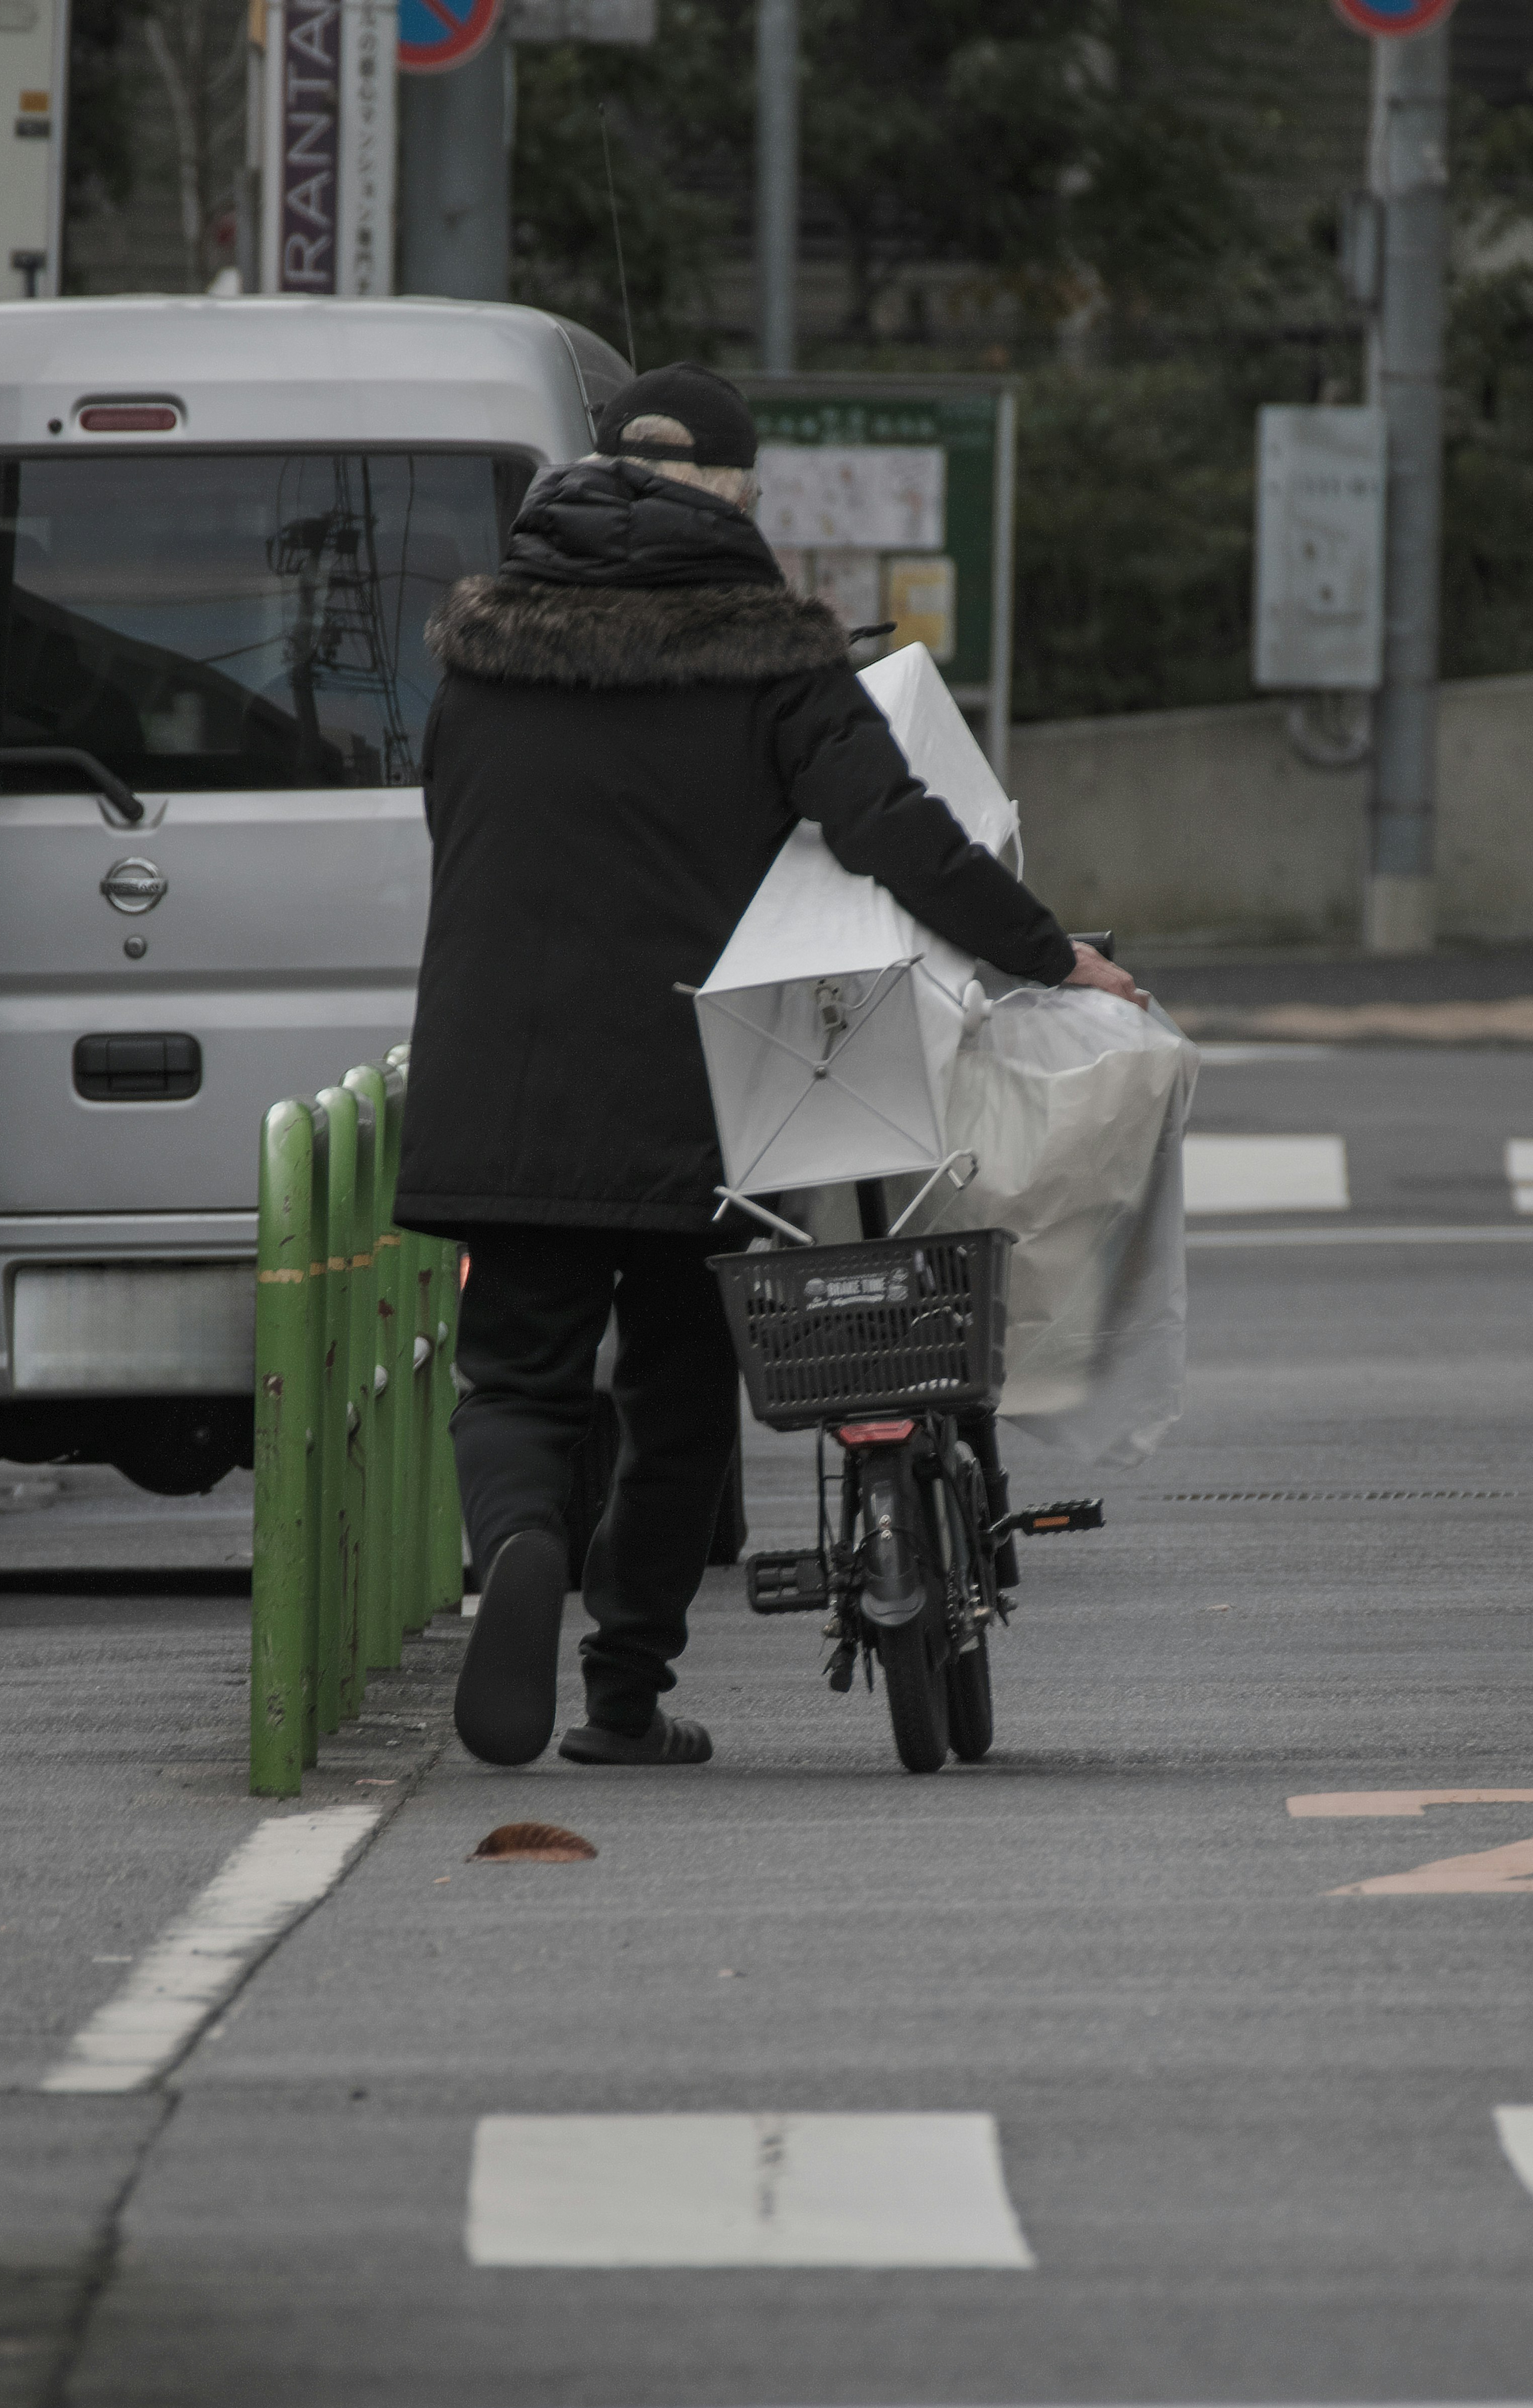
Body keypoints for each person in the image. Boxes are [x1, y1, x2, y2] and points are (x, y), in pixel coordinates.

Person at [394, 362, 1138, 1771]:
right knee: (676, 1395)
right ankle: (621, 1695)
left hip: (503, 1078)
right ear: (736, 495)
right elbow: (897, 836)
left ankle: (522, 1546)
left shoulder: (482, 647)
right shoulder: (772, 652)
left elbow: (456, 829)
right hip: (707, 1090)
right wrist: (1052, 956)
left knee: (515, 1379)